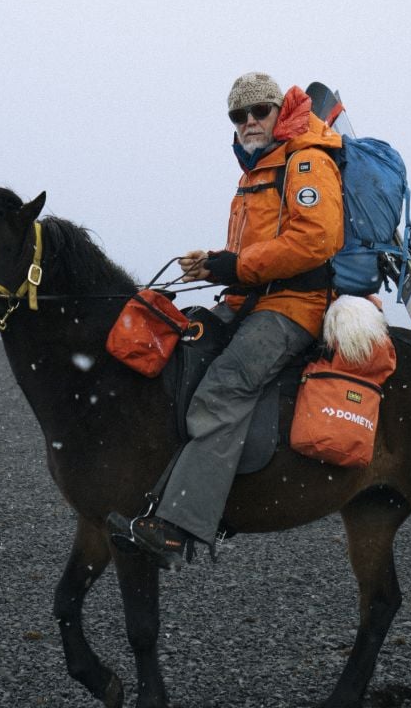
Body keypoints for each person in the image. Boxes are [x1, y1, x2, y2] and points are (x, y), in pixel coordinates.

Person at [107, 72, 344, 568]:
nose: (249, 122)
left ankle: (180, 525)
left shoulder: (306, 159)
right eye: (239, 115)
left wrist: (234, 267)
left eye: (259, 111)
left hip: (296, 306)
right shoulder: (254, 172)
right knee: (178, 353)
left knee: (225, 386)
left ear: (280, 111)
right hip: (249, 301)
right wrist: (215, 262)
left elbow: (315, 241)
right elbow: (253, 252)